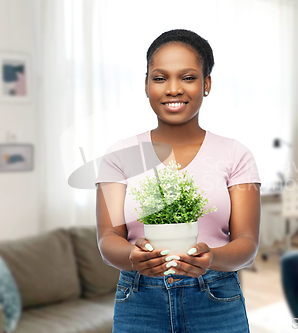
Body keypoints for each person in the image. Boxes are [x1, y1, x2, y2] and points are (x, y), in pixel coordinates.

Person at [95, 29, 261, 333]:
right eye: (159, 78)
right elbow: (107, 238)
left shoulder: (236, 155)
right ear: (146, 85)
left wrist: (210, 260)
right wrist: (133, 257)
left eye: (187, 77)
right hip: (139, 300)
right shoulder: (119, 156)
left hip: (215, 298)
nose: (173, 89)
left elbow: (247, 244)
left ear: (206, 84)